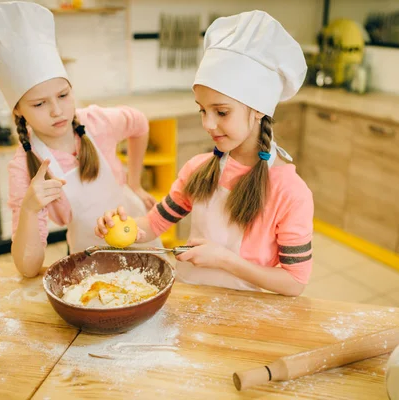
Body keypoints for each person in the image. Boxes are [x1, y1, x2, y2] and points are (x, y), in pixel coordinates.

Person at [95, 11, 313, 296]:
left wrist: (224, 260)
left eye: (221, 112)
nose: (208, 124)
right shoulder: (199, 170)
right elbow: (154, 224)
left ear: (259, 108)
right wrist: (125, 228)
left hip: (250, 313)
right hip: (191, 299)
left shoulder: (290, 191)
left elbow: (294, 283)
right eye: (202, 110)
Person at [0, 2, 158, 277]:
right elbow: (27, 268)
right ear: (18, 109)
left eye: (63, 95)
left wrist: (136, 184)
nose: (57, 111)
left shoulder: (96, 122)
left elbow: (139, 123)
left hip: (139, 233)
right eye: (39, 104)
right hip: (92, 259)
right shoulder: (25, 169)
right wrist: (31, 209)